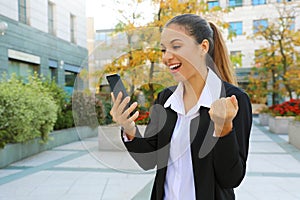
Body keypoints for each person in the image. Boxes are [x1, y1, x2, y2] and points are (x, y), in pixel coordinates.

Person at [110, 13, 252, 200]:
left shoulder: (233, 100)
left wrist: (224, 128)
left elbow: (230, 179)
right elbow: (149, 160)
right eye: (163, 50)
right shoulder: (165, 98)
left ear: (203, 47)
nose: (167, 57)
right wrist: (129, 128)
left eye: (176, 46)